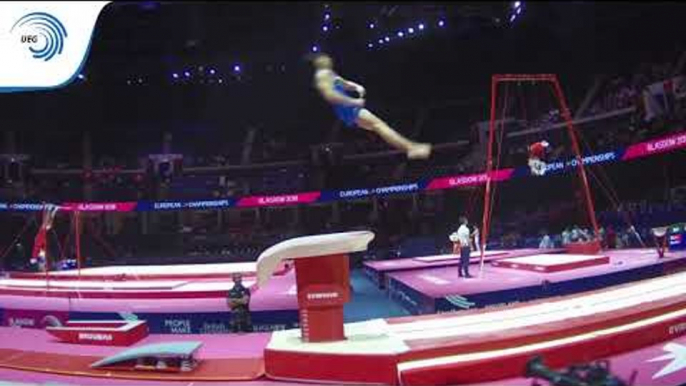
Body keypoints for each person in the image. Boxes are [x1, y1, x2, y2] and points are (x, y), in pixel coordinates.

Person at [308, 53, 432, 160]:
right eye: (326, 58)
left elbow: (344, 83)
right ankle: (411, 148)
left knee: (378, 127)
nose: (329, 60)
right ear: (320, 62)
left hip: (346, 108)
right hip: (346, 108)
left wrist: (356, 86)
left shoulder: (330, 74)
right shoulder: (321, 75)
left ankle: (410, 148)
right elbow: (330, 96)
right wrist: (353, 102)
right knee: (379, 125)